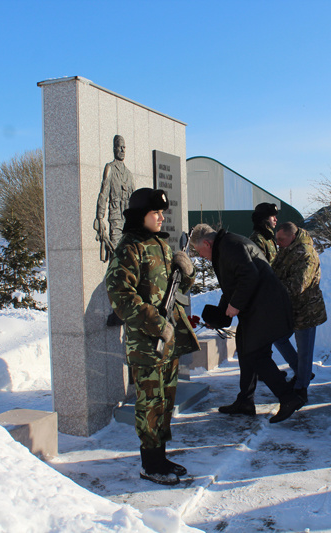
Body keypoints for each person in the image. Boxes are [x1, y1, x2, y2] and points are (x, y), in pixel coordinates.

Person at [105, 188, 199, 486]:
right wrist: (155, 321)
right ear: (139, 216)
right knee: (150, 402)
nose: (161, 218)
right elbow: (120, 294)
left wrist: (187, 272)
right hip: (147, 341)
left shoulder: (161, 245)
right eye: (155, 213)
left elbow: (177, 287)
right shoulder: (129, 248)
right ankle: (150, 463)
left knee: (166, 400)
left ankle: (160, 455)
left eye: (162, 213)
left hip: (168, 339)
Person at [190, 223, 305, 422]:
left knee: (255, 353)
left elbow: (249, 276)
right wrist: (221, 315)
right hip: (258, 307)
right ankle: (245, 401)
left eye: (200, 252)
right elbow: (232, 286)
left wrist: (235, 305)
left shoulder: (229, 246)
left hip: (265, 307)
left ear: (207, 243)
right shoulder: (225, 246)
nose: (201, 257)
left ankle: (288, 397)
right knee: (245, 349)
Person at [271, 222, 327, 402]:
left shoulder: (306, 253)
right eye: (277, 238)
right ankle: (302, 372)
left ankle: (301, 387)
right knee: (278, 338)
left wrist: (270, 291)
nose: (278, 242)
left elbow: (297, 285)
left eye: (281, 239)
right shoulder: (287, 249)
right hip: (289, 309)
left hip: (306, 309)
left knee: (305, 350)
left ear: (292, 236)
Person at [95, 134, 135, 262]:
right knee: (116, 251)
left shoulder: (129, 173)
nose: (123, 150)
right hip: (116, 216)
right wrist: (100, 218)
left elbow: (135, 199)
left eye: (124, 147)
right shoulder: (110, 168)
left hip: (128, 218)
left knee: (129, 252)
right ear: (114, 149)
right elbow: (103, 194)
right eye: (120, 147)